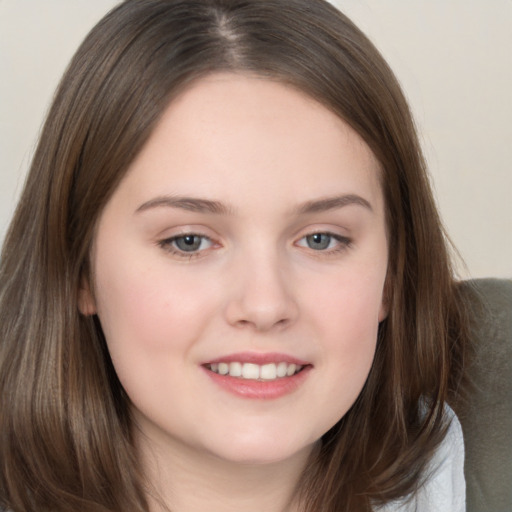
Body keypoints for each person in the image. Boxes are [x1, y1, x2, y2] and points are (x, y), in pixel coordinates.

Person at [0, 1, 470, 511]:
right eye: (189, 241)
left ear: (392, 272)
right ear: (79, 268)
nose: (265, 305)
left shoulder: (465, 462)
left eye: (321, 239)